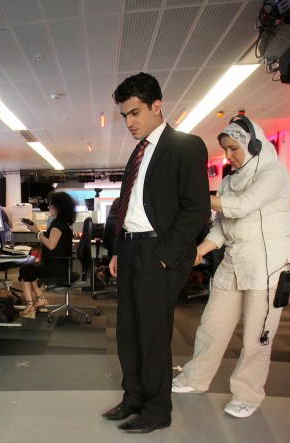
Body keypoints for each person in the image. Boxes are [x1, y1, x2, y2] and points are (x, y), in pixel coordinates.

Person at [103, 72, 210, 434]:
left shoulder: (186, 145)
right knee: (128, 332)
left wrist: (165, 256)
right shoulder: (138, 151)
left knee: (153, 335)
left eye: (135, 113)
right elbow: (129, 206)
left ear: (157, 106)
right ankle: (133, 397)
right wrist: (119, 250)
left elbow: (195, 210)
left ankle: (157, 409)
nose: (129, 122)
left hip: (156, 252)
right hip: (131, 249)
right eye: (125, 116)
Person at [171, 116, 290, 419]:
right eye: (225, 150)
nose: (228, 156)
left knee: (257, 337)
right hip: (234, 262)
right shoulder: (229, 181)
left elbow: (241, 207)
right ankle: (195, 378)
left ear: (253, 145)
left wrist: (194, 197)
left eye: (233, 149)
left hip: (268, 264)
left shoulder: (274, 173)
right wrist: (199, 251)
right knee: (211, 327)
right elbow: (222, 226)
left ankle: (247, 394)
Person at [18, 191, 76, 318]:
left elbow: (51, 245)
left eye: (50, 205)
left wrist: (37, 232)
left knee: (25, 271)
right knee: (30, 269)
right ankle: (40, 299)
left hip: (56, 267)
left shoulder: (58, 224)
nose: (49, 208)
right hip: (61, 265)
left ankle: (29, 306)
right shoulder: (63, 222)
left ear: (57, 207)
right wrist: (37, 231)